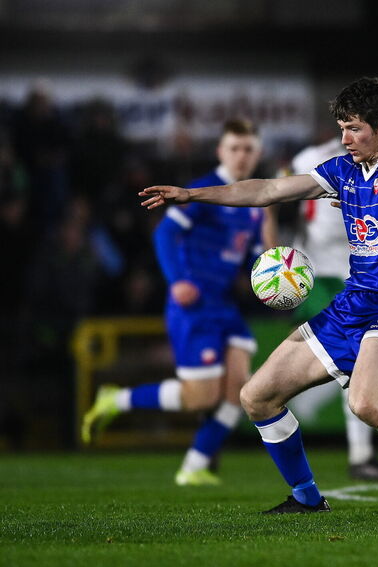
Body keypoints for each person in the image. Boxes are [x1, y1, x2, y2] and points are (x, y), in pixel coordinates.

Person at [139, 77, 378, 517]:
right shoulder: (344, 170)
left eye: (354, 128)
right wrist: (193, 195)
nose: (345, 138)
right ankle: (307, 498)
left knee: (367, 403)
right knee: (257, 396)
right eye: (342, 127)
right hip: (352, 304)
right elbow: (269, 191)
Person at [82, 118, 266, 486]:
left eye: (248, 149)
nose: (242, 156)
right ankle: (116, 400)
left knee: (241, 390)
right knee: (200, 398)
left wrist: (271, 277)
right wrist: (178, 280)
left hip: (225, 306)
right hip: (193, 306)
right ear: (220, 151)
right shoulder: (202, 192)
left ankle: (194, 465)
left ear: (257, 152)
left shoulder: (255, 204)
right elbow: (165, 233)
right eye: (234, 148)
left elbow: (251, 260)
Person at [267, 136, 378, 481]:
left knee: (353, 366)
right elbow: (274, 196)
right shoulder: (331, 157)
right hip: (321, 274)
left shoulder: (315, 156)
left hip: (349, 273)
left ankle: (358, 453)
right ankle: (358, 456)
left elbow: (275, 195)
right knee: (357, 365)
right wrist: (273, 253)